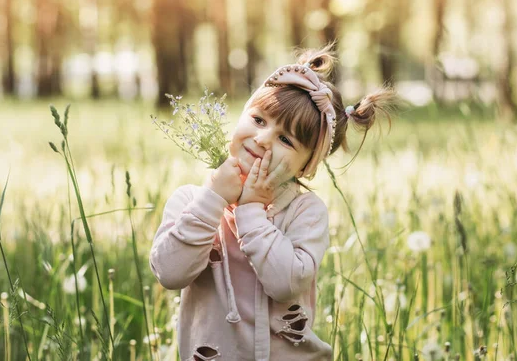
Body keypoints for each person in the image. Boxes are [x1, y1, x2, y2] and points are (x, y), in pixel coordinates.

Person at [149, 43, 398, 361]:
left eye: (285, 140)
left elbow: (285, 284)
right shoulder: (191, 201)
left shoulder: (305, 212)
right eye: (258, 119)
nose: (263, 139)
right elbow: (169, 273)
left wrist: (251, 211)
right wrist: (212, 198)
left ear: (306, 166)